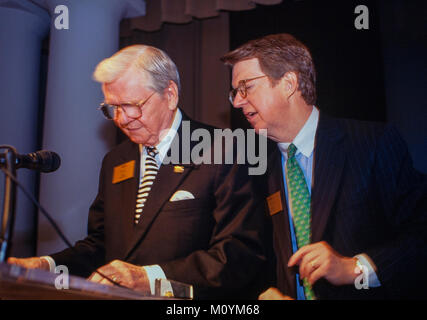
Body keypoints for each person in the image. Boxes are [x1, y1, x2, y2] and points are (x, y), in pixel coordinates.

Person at [8, 45, 269, 299]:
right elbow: (101, 245)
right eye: (113, 108)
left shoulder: (227, 148)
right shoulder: (115, 161)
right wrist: (47, 265)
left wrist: (150, 278)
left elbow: (239, 254)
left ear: (170, 94)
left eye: (132, 105)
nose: (122, 119)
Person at [221, 33, 427, 300]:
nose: (237, 101)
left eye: (246, 87)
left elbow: (420, 233)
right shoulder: (256, 168)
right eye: (235, 92)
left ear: (288, 83)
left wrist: (355, 268)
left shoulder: (371, 144)